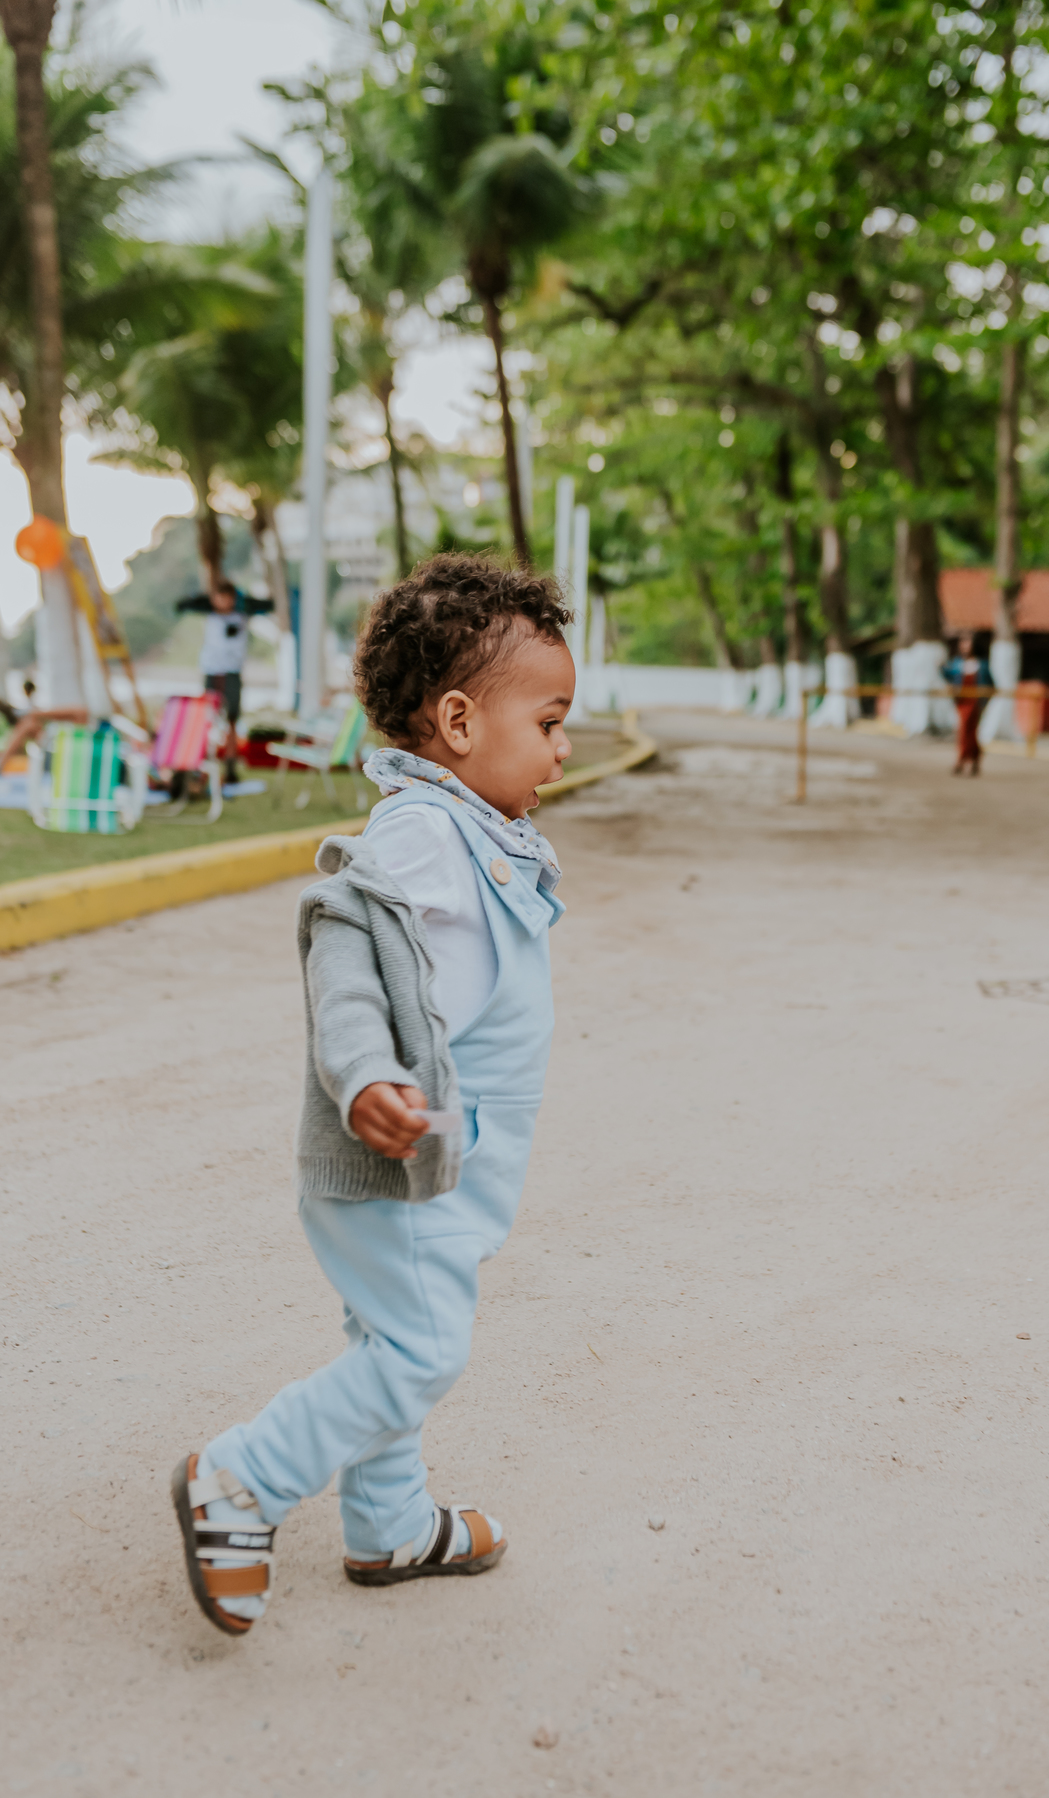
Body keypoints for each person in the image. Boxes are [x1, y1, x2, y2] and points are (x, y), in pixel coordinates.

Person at [171, 554, 575, 1637]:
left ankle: (389, 1521)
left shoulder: (470, 829)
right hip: (397, 1163)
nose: (562, 745)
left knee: (389, 1344)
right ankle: (242, 1476)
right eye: (549, 720)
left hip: (446, 1164)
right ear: (456, 721)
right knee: (420, 1350)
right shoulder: (420, 835)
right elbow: (344, 950)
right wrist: (366, 1076)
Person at [175, 578, 274, 778]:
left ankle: (230, 765)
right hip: (212, 671)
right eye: (218, 598)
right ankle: (202, 764)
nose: (222, 602)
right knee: (206, 719)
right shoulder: (209, 614)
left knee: (231, 720)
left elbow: (268, 605)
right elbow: (183, 604)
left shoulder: (241, 614)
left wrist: (241, 600)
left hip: (231, 672)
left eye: (226, 597)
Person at [941, 632, 994, 776]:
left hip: (976, 702)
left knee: (967, 731)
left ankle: (961, 760)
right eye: (963, 642)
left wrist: (984, 699)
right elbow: (948, 675)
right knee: (966, 730)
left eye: (967, 642)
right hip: (961, 702)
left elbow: (991, 683)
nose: (964, 646)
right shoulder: (958, 663)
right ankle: (974, 759)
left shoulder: (982, 665)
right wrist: (940, 667)